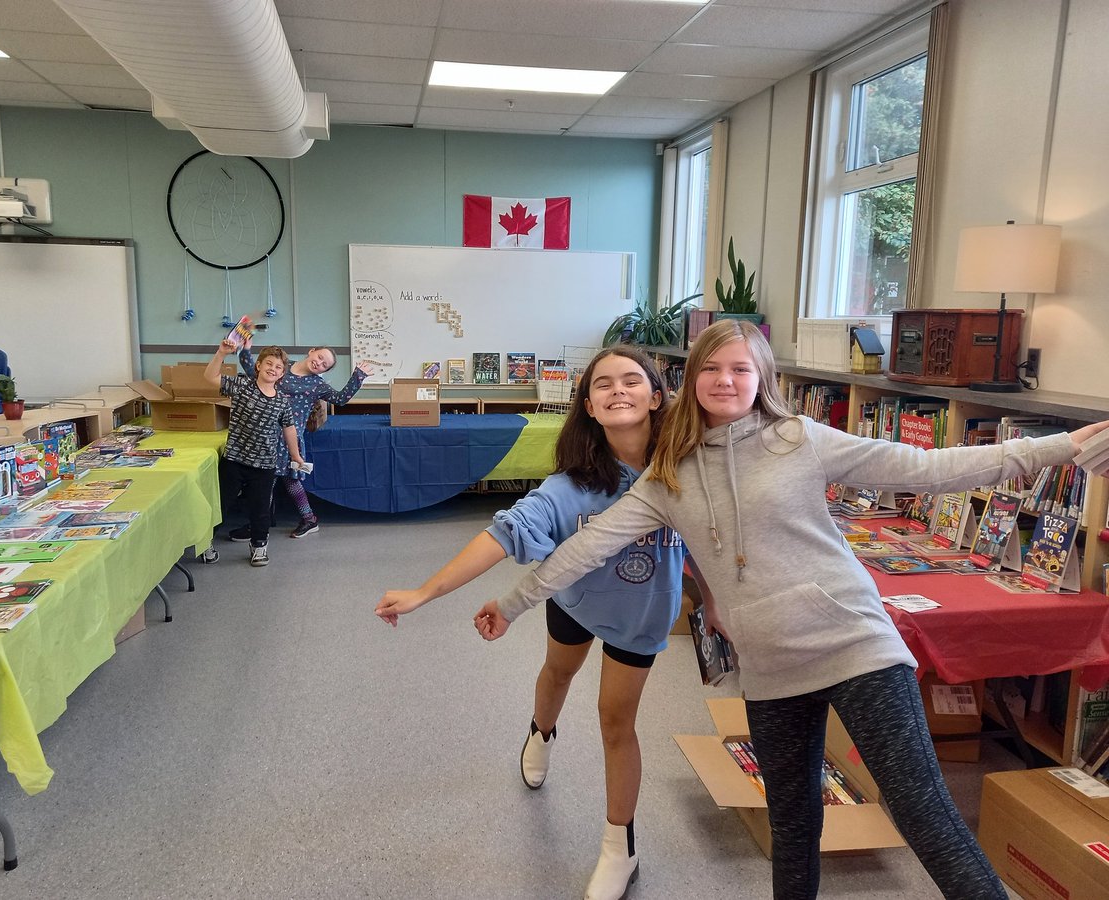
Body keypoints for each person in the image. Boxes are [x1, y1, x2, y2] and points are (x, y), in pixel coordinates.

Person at [475, 319, 1109, 900]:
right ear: (690, 379)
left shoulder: (798, 438)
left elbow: (932, 467)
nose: (726, 380)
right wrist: (512, 603)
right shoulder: (668, 475)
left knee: (925, 816)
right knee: (794, 829)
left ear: (762, 380)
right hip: (772, 672)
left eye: (742, 369)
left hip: (856, 649)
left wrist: (1061, 447)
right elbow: (587, 547)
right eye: (713, 368)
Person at [375, 346, 706, 900]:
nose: (618, 389)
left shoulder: (690, 470)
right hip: (575, 601)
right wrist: (424, 592)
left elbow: (715, 541)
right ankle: (540, 732)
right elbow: (502, 535)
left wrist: (714, 601)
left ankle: (618, 850)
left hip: (641, 617)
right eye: (603, 384)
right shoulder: (570, 486)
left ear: (657, 395)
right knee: (557, 674)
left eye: (631, 379)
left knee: (615, 723)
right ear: (589, 407)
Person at [235, 343, 375, 539]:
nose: (319, 363)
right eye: (319, 357)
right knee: (269, 481)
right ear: (311, 352)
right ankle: (284, 520)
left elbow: (340, 399)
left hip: (288, 438)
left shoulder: (317, 384)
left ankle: (266, 524)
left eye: (324, 364)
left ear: (324, 370)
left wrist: (358, 376)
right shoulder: (282, 365)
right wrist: (244, 349)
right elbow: (253, 370)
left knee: (279, 481)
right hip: (264, 434)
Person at [205, 339, 307, 567]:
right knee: (220, 504)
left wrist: (296, 456)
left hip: (265, 465)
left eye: (279, 367)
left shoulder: (282, 401)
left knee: (261, 510)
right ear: (258, 365)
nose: (273, 369)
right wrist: (221, 352)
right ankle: (205, 542)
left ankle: (259, 545)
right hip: (234, 461)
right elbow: (210, 377)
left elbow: (289, 428)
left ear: (282, 374)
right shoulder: (241, 386)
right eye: (269, 363)